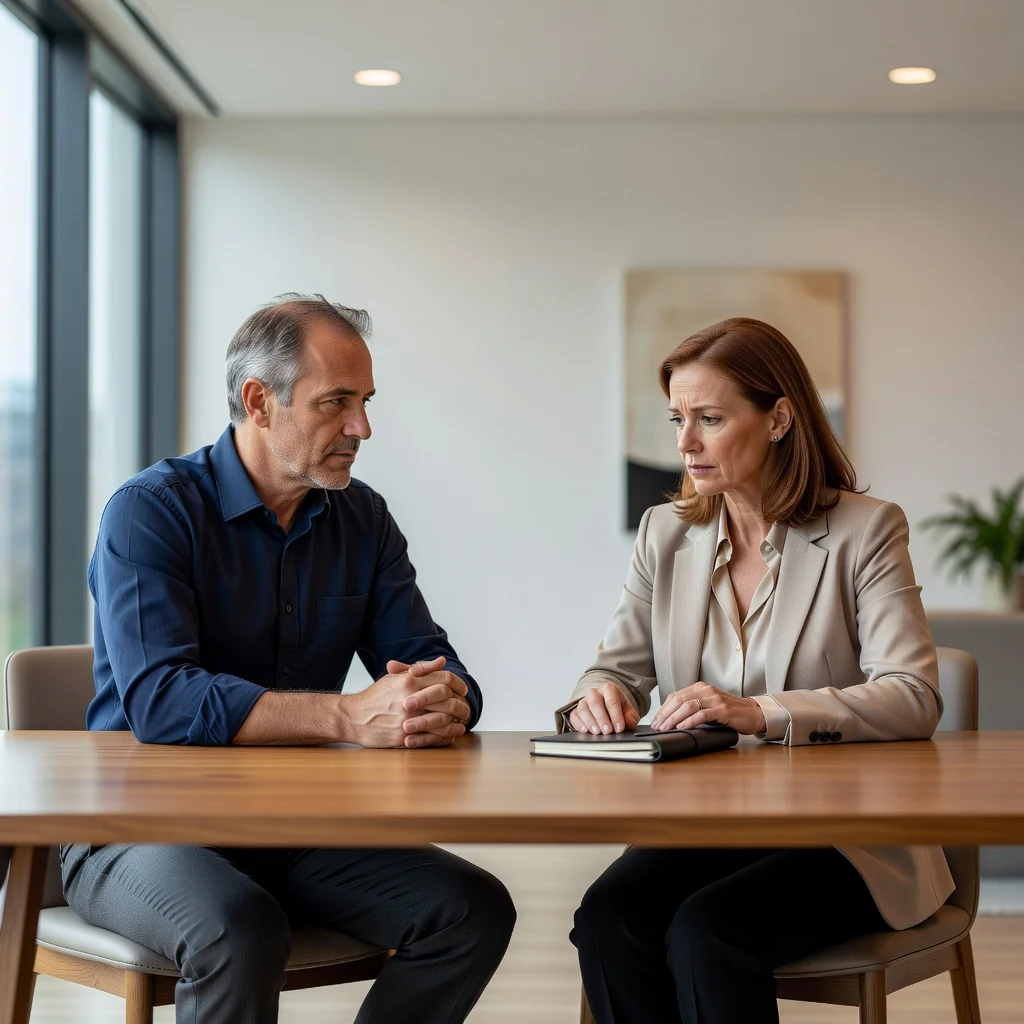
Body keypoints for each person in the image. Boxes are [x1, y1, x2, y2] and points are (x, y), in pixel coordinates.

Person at [61, 294, 516, 1024]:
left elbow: (426, 658)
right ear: (258, 401)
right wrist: (347, 714)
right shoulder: (150, 511)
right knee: (242, 927)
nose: (362, 428)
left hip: (293, 829)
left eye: (365, 402)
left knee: (471, 909)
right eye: (337, 402)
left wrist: (447, 698)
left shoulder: (363, 519)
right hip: (139, 829)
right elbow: (162, 702)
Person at [559, 317, 952, 1024]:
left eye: (710, 418)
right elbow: (613, 669)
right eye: (678, 418)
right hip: (704, 828)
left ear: (778, 419)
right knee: (607, 920)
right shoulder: (665, 533)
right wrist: (600, 698)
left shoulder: (867, 530)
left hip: (845, 839)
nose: (685, 443)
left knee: (708, 934)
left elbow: (914, 695)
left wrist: (761, 711)